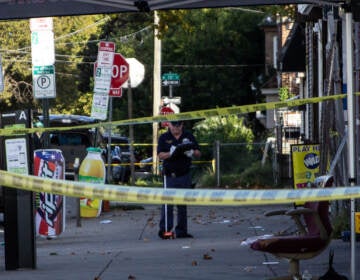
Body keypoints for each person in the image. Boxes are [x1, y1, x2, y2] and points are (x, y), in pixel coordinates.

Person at [157, 120, 201, 239]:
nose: (176, 127)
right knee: (168, 204)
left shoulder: (188, 136)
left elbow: (198, 152)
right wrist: (171, 153)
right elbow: (160, 155)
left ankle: (181, 231)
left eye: (179, 124)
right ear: (169, 125)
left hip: (184, 175)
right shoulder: (164, 137)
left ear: (182, 125)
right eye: (174, 124)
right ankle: (166, 231)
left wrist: (192, 152)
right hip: (170, 176)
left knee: (182, 205)